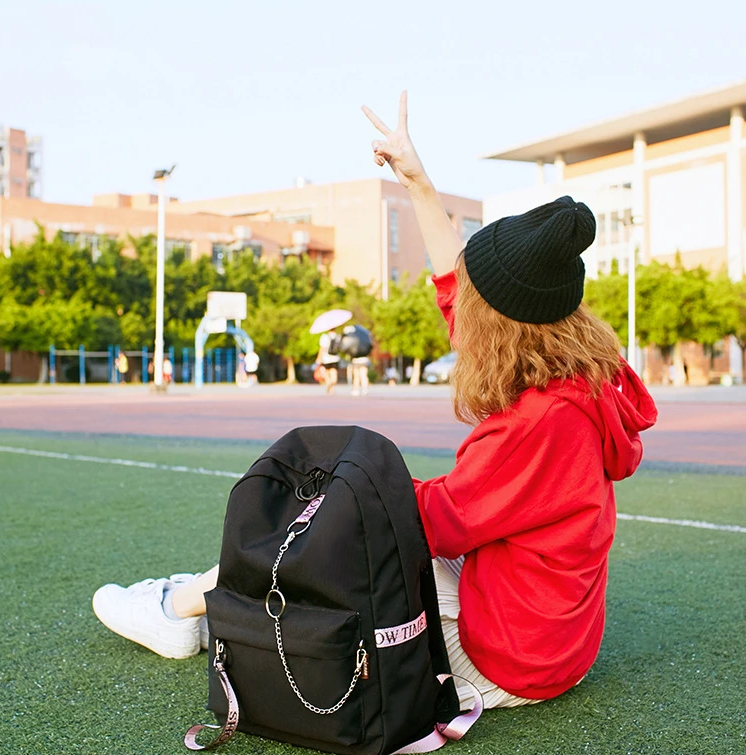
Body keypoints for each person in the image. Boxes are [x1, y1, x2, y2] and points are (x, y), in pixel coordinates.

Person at [91, 93, 657, 715]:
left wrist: (335, 494)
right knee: (334, 523)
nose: (462, 306)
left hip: (511, 657)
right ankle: (200, 602)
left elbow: (427, 522)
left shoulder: (547, 422)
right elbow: (456, 290)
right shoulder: (574, 370)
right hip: (535, 624)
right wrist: (417, 183)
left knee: (334, 533)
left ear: (504, 324)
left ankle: (182, 609)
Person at [314, 328, 340, 395]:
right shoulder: (338, 337)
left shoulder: (324, 337)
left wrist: (319, 357)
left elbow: (322, 348)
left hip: (326, 358)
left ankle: (329, 384)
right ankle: (332, 387)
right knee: (334, 373)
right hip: (335, 358)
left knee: (327, 373)